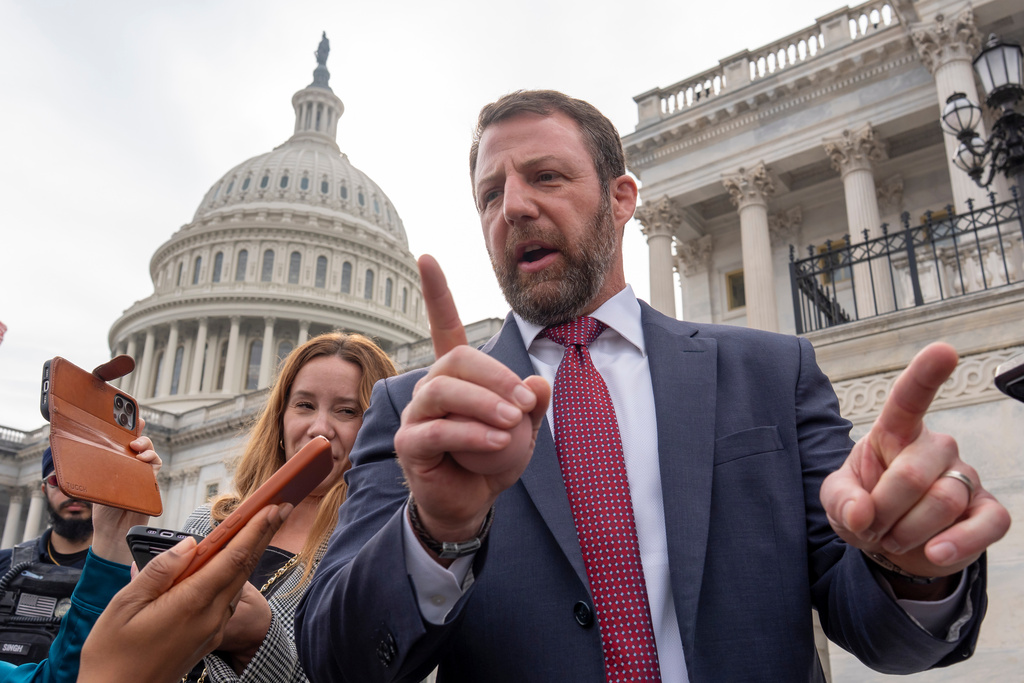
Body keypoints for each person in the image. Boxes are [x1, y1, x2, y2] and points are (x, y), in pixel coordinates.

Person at [295, 90, 1012, 682]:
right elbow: (334, 664)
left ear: (622, 196)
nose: (512, 206)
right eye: (490, 194)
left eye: (545, 177)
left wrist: (912, 569)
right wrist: (437, 533)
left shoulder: (772, 372)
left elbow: (882, 633)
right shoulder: (417, 413)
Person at [180, 332, 398, 682]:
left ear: (376, 428)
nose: (319, 429)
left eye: (347, 411)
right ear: (281, 419)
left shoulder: (378, 550)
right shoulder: (206, 522)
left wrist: (258, 642)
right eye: (305, 405)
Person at [0, 437, 161, 681]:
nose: (71, 491)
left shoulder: (134, 574)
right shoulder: (4, 565)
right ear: (44, 489)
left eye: (82, 480)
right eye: (58, 480)